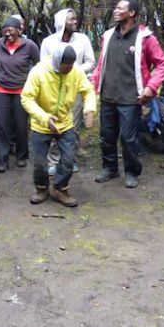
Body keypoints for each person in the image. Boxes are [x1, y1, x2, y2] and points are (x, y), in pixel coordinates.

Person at [92, 0, 164, 188]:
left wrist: (151, 87)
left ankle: (132, 171)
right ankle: (110, 168)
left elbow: (161, 64)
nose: (116, 11)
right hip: (108, 96)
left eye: (120, 8)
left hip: (131, 98)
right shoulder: (108, 35)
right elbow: (102, 64)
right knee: (107, 135)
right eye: (116, 7)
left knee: (129, 137)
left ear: (132, 13)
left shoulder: (145, 38)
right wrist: (93, 85)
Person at [21, 45, 96, 207]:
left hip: (64, 123)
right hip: (41, 124)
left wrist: (89, 109)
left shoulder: (75, 71)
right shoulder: (39, 72)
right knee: (40, 162)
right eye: (66, 65)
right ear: (57, 62)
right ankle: (41, 189)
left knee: (69, 158)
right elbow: (27, 98)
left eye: (72, 64)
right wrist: (44, 117)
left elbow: (88, 90)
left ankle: (60, 189)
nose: (70, 68)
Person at [40, 9, 96, 173]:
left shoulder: (83, 39)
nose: (74, 22)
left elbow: (91, 62)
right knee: (54, 122)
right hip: (53, 88)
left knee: (73, 125)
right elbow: (43, 64)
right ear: (61, 22)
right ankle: (53, 160)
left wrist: (74, 69)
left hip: (76, 87)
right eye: (71, 19)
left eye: (75, 19)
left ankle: (70, 158)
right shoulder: (48, 42)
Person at [0, 16, 40, 172]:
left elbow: (39, 64)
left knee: (21, 125)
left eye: (10, 31)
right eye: (4, 32)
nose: (7, 34)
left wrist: (36, 84)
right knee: (2, 125)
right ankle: (3, 159)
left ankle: (22, 156)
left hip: (22, 91)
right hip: (2, 89)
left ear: (19, 30)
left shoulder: (29, 46)